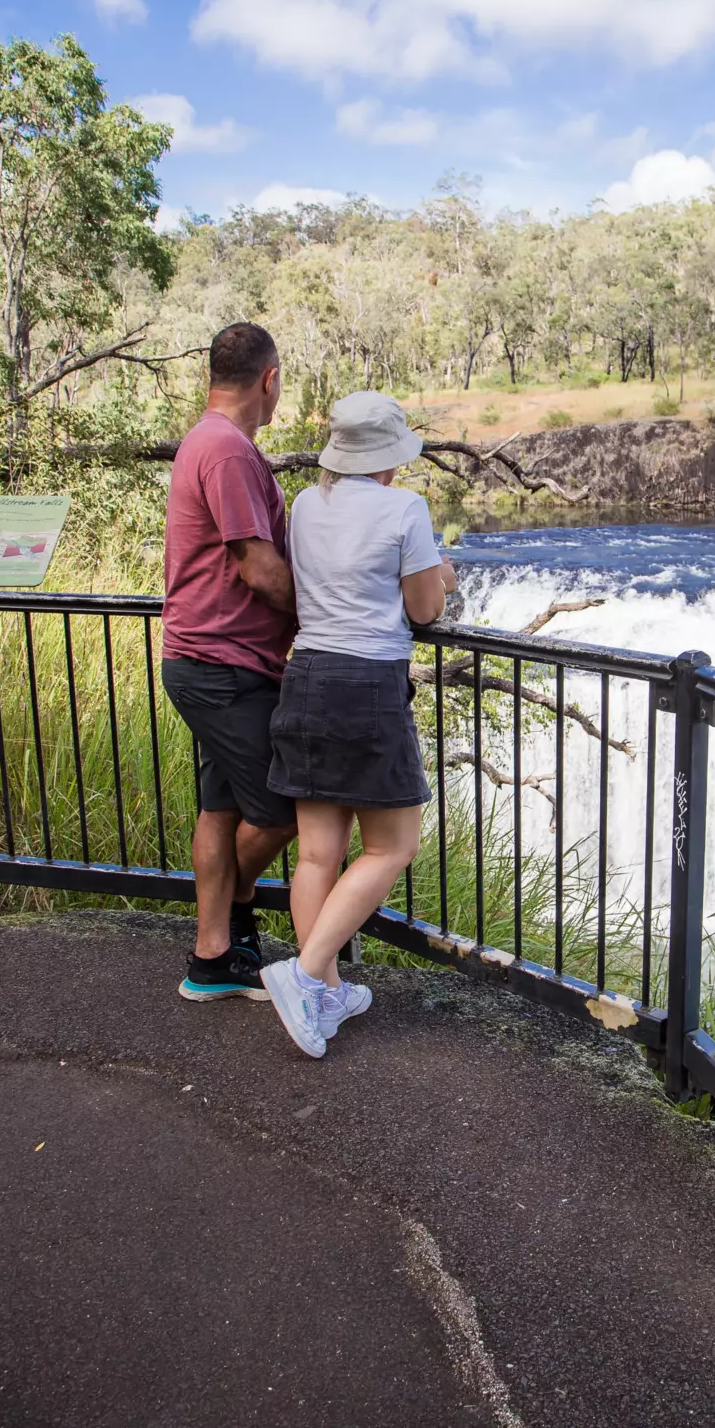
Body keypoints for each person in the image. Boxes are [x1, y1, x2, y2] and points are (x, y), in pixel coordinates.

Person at [259, 391, 456, 1058]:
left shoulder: (308, 504)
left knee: (318, 853)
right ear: (389, 456)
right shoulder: (406, 508)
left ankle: (326, 993)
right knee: (393, 846)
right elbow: (424, 609)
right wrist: (444, 575)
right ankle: (306, 975)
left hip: (307, 675)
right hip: (368, 685)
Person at [161, 322, 298, 1002]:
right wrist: (321, 619)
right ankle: (233, 921)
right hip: (222, 664)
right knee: (279, 808)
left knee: (219, 809)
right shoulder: (228, 450)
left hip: (209, 657)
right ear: (268, 379)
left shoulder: (206, 440)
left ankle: (214, 954)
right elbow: (258, 566)